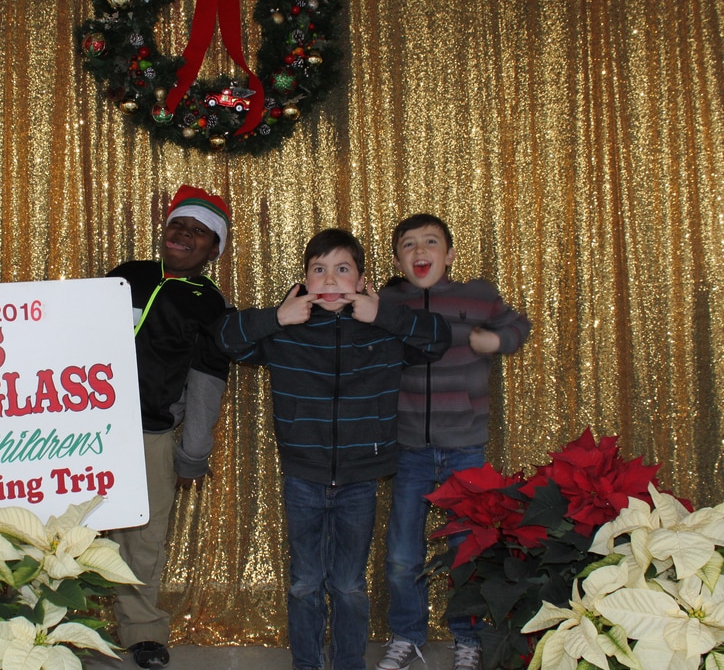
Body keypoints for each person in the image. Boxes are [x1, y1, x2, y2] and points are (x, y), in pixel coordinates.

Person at [212, 228, 451, 670]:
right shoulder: (289, 330)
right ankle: (307, 663)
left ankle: (348, 663)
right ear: (305, 280)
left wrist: (383, 314)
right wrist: (277, 317)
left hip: (360, 479)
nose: (329, 280)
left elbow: (439, 338)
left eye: (342, 269)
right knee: (304, 582)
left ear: (361, 280)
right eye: (318, 270)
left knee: (348, 585)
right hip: (303, 475)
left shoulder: (383, 332)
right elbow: (225, 338)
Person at [375, 213, 532, 670]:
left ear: (449, 255)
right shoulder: (390, 303)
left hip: (465, 449)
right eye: (408, 245)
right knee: (402, 555)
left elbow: (519, 326)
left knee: (467, 550)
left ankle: (469, 639)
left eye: (430, 242)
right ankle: (407, 635)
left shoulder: (477, 295)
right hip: (409, 450)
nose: (420, 251)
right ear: (398, 260)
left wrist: (495, 341)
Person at [106, 184, 234, 669]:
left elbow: (206, 382)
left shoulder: (210, 304)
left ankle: (142, 631)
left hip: (150, 433)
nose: (183, 234)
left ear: (214, 249)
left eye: (198, 231)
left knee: (142, 538)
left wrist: (193, 453)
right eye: (177, 224)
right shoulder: (126, 276)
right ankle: (45, 620)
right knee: (65, 523)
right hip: (83, 428)